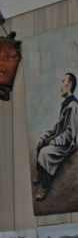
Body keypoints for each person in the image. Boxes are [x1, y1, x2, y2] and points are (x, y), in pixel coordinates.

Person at [33, 73, 78, 201]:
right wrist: (46, 137)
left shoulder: (73, 106)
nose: (60, 86)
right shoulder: (66, 104)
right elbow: (57, 126)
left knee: (44, 153)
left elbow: (70, 132)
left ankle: (45, 186)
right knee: (40, 144)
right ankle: (40, 174)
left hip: (67, 144)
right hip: (60, 139)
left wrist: (55, 141)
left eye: (63, 81)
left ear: (69, 85)